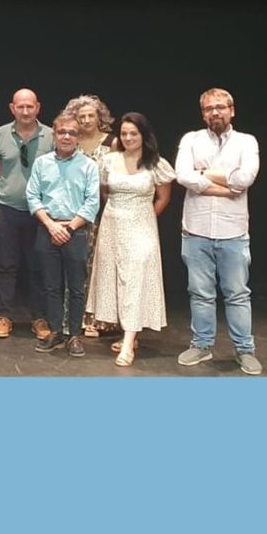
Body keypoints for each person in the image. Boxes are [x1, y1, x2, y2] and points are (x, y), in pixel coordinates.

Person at [175, 88, 261, 374]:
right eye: (209, 108)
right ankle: (202, 345)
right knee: (200, 294)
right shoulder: (191, 139)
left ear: (231, 110)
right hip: (196, 229)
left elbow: (245, 178)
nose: (215, 112)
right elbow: (182, 174)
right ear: (203, 114)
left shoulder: (246, 141)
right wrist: (226, 187)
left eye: (220, 107)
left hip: (233, 231)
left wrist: (202, 173)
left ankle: (244, 349)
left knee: (237, 294)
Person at [85, 113, 174, 366]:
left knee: (135, 281)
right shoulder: (109, 160)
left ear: (144, 135)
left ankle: (127, 345)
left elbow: (163, 197)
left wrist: (144, 217)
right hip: (112, 226)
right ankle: (129, 335)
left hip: (141, 227)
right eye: (124, 133)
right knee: (116, 280)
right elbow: (105, 192)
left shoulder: (156, 163)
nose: (128, 138)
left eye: (133, 133)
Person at [25, 113, 100, 357]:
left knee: (76, 287)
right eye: (62, 132)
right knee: (51, 286)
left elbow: (92, 202)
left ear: (78, 137)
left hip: (75, 232)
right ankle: (56, 331)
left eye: (72, 133)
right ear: (54, 135)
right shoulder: (42, 163)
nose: (66, 136)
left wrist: (68, 228)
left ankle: (74, 334)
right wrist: (50, 225)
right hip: (47, 229)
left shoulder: (88, 166)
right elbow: (32, 196)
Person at [0, 88, 55, 341]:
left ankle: (39, 318)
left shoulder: (51, 135)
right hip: (6, 207)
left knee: (38, 267)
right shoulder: (1, 134)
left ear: (38, 107)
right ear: (12, 108)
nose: (25, 111)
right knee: (6, 265)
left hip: (40, 212)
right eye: (20, 107)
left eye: (29, 106)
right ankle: (4, 316)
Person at [61, 93, 116, 338]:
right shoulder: (70, 140)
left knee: (99, 265)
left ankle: (95, 318)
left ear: (99, 116)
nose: (85, 120)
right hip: (74, 211)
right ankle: (71, 317)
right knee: (76, 265)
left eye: (90, 115)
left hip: (103, 211)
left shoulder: (112, 142)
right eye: (81, 116)